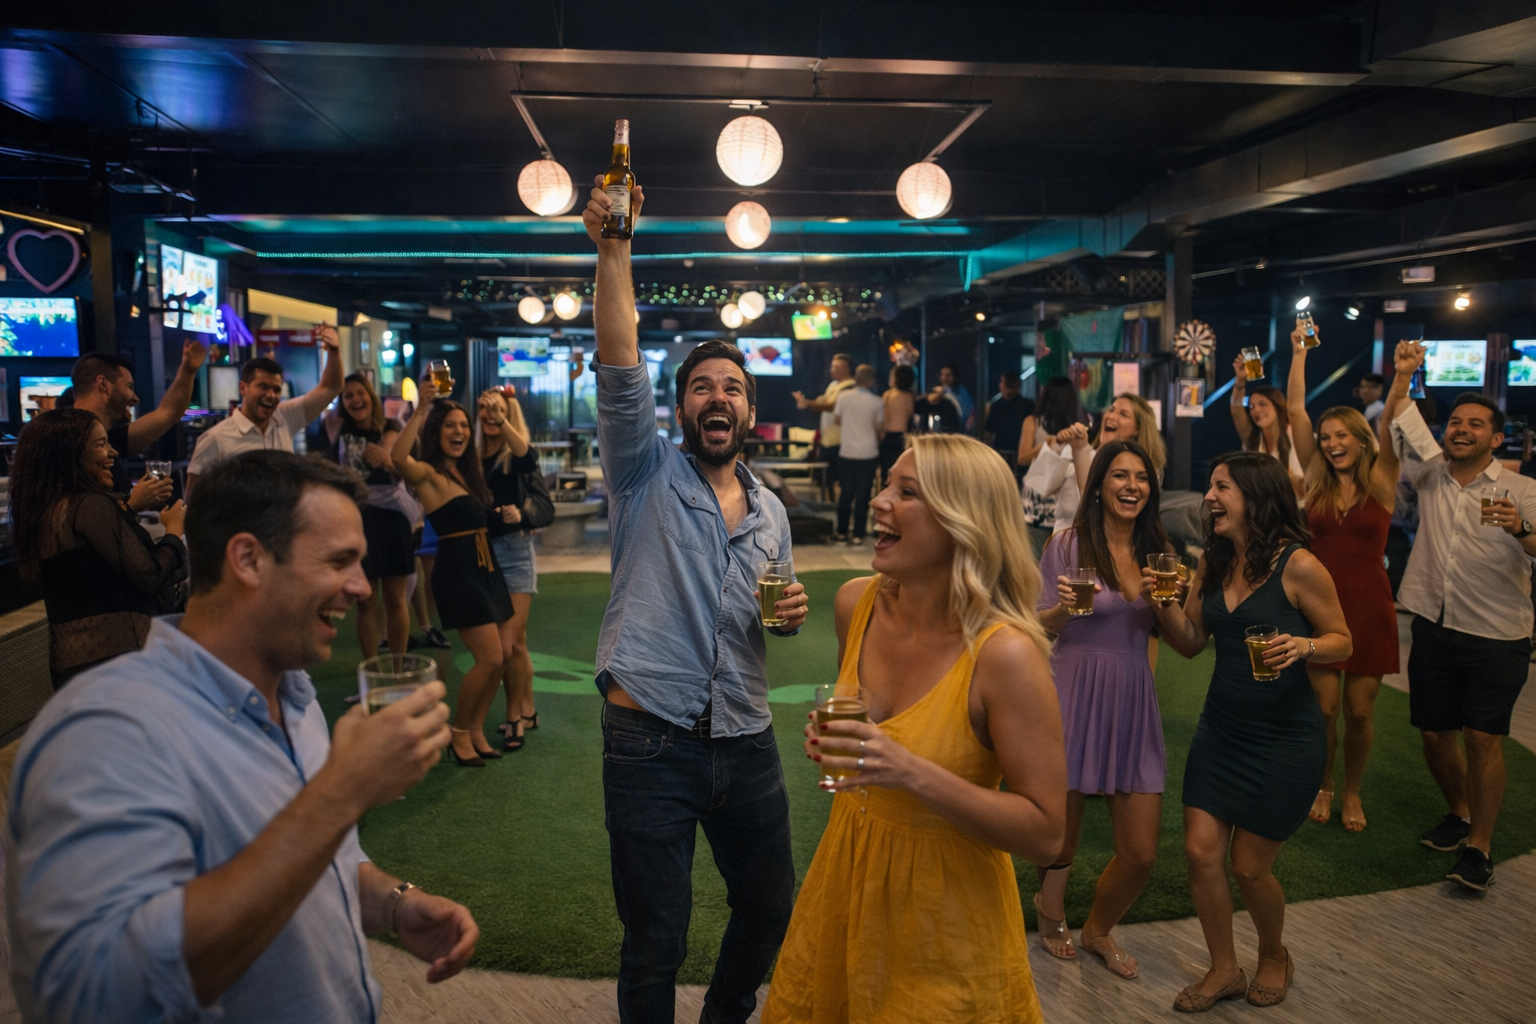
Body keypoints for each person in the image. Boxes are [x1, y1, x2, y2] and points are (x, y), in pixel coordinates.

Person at [6, 450, 477, 1022]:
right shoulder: (107, 730)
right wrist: (339, 794)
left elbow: (316, 860)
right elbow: (95, 996)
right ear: (248, 559)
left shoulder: (296, 697)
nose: (360, 587)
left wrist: (393, 904)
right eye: (340, 561)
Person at [584, 175, 810, 1024]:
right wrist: (615, 247)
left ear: (750, 410)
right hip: (649, 737)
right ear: (682, 407)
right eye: (703, 386)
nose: (719, 396)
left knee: (770, 909)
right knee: (655, 938)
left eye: (734, 388)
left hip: (746, 737)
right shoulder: (642, 471)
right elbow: (619, 363)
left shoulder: (772, 512)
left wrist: (785, 616)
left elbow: (772, 614)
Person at [762, 433, 1066, 1023]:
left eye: (906, 492)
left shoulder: (1004, 655)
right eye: (886, 486)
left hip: (945, 925)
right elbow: (865, 735)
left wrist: (906, 769)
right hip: (843, 889)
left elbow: (1047, 834)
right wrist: (846, 747)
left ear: (962, 522)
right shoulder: (856, 604)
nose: (879, 501)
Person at [1154, 451, 1351, 1011]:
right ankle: (1224, 969)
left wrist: (1304, 645)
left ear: (1256, 496)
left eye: (1222, 487)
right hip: (1221, 732)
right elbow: (1191, 642)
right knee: (1200, 854)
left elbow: (1342, 640)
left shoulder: (1300, 565)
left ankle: (1273, 954)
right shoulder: (1213, 561)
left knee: (1248, 866)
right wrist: (1163, 602)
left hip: (1285, 740)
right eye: (1210, 486)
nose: (1209, 497)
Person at [1388, 361, 1536, 892]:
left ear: (1495, 438)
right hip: (1433, 624)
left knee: (1482, 738)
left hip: (1498, 633)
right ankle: (1461, 811)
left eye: (1475, 424)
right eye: (1455, 421)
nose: (1462, 429)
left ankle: (1480, 848)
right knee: (1434, 734)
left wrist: (1520, 529)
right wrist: (1404, 372)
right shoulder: (1431, 475)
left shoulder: (1522, 489)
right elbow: (1401, 415)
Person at [1033, 440, 1177, 979]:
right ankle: (1050, 911)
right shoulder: (1067, 545)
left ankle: (1098, 928)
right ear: (1099, 486)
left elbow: (1177, 633)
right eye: (1119, 475)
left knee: (1141, 852)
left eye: (1140, 477)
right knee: (1061, 830)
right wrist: (1063, 611)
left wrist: (1171, 604)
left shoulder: (1158, 549)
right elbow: (1035, 624)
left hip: (1133, 695)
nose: (1131, 486)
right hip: (1071, 688)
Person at [1288, 332, 1409, 832]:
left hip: (1369, 607)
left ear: (1361, 439)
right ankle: (1324, 784)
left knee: (1359, 713)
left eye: (1342, 435)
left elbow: (1392, 420)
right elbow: (1295, 411)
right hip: (1320, 607)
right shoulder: (1315, 479)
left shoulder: (1382, 479)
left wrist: (1402, 375)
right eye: (1326, 436)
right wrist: (1300, 353)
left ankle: (1352, 789)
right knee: (1324, 710)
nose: (1332, 443)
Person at [7, 409, 189, 686]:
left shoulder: (46, 511)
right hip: (118, 660)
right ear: (71, 454)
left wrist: (128, 507)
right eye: (101, 444)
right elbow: (149, 574)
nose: (112, 453)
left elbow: (92, 570)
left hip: (72, 662)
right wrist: (174, 530)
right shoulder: (90, 504)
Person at [392, 380, 515, 766]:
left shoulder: (467, 473)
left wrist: (506, 516)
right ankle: (459, 732)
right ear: (436, 432)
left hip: (485, 565)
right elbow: (398, 458)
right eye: (450, 425)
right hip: (458, 571)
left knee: (504, 655)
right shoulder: (428, 474)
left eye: (464, 425)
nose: (459, 431)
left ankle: (475, 729)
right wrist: (421, 409)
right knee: (489, 658)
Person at [326, 372, 420, 657]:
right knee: (365, 599)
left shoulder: (390, 427)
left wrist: (386, 459)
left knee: (396, 599)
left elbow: (397, 462)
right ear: (342, 402)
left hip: (392, 518)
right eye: (348, 396)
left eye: (360, 393)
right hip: (357, 519)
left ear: (371, 395)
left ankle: (397, 668)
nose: (356, 400)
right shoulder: (335, 425)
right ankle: (371, 669)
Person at [186, 326, 343, 494]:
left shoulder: (284, 417)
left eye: (276, 389)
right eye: (263, 386)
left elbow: (331, 387)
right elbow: (193, 499)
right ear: (243, 388)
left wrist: (334, 350)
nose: (271, 395)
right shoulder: (215, 438)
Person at [477, 386, 545, 751]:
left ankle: (514, 714)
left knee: (512, 640)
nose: (490, 416)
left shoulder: (513, 453)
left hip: (515, 552)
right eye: (486, 410)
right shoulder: (471, 454)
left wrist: (501, 419)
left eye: (498, 410)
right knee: (514, 644)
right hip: (481, 553)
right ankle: (528, 709)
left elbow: (528, 458)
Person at [71, 339, 208, 508]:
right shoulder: (64, 439)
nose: (135, 398)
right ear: (103, 384)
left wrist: (188, 370)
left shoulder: (111, 436)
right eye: (129, 386)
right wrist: (134, 502)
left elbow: (168, 413)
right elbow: (78, 512)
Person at [1019, 376, 1087, 557]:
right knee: (1054, 556)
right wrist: (1047, 445)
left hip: (1061, 499)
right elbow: (1022, 458)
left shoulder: (1077, 427)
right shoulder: (1034, 422)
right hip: (1042, 494)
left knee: (1046, 556)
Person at [1230, 352, 1304, 497]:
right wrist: (1240, 380)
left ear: (1277, 407)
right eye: (1252, 407)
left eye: (1262, 404)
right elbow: (1236, 411)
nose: (1256, 410)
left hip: (1298, 505)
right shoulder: (1253, 438)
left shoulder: (1294, 433)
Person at [792, 352, 856, 503]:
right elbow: (822, 403)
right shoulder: (833, 384)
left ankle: (838, 504)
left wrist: (807, 403)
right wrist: (808, 402)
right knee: (826, 475)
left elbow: (830, 406)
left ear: (847, 368)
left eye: (836, 367)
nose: (832, 370)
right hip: (828, 438)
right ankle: (830, 502)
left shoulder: (849, 386)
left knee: (839, 477)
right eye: (832, 366)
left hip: (840, 439)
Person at [832, 363, 885, 546]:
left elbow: (837, 420)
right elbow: (879, 427)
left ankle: (841, 532)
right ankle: (858, 534)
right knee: (863, 494)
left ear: (856, 378)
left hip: (847, 450)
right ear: (871, 381)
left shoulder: (843, 396)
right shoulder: (877, 401)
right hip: (868, 452)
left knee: (846, 493)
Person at [984, 368, 1035, 483]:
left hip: (1019, 456)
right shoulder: (997, 406)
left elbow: (988, 434)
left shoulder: (1027, 405)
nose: (1000, 385)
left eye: (1002, 381)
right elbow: (989, 432)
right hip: (1003, 455)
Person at [880, 364, 916, 487]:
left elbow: (884, 418)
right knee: (901, 472)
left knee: (886, 473)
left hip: (888, 436)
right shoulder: (909, 396)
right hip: (903, 436)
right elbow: (910, 413)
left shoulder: (887, 395)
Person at [937, 363, 976, 432]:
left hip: (962, 432)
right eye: (942, 375)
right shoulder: (939, 392)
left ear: (956, 377)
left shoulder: (962, 392)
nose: (944, 378)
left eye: (948, 375)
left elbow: (968, 412)